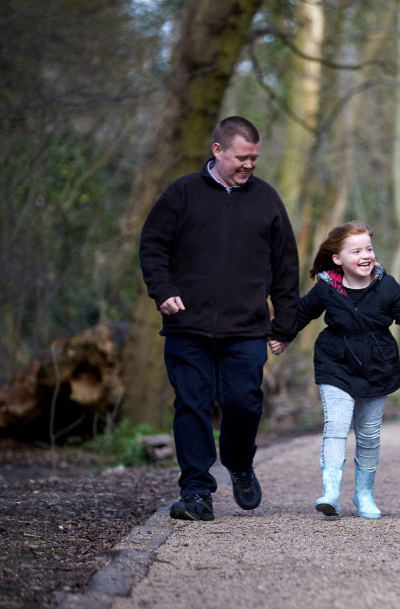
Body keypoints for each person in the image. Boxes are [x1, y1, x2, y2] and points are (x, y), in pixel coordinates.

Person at [139, 116, 300, 522]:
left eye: (254, 159)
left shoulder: (267, 200)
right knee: (191, 404)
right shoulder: (182, 194)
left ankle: (240, 463)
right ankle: (196, 491)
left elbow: (285, 267)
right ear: (217, 151)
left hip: (246, 326)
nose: (249, 165)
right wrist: (164, 290)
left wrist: (284, 324)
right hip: (187, 325)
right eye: (241, 158)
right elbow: (153, 246)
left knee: (244, 403)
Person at [270, 222, 400, 518]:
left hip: (377, 368)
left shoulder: (387, 286)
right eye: (356, 251)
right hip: (335, 364)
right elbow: (300, 314)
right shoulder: (327, 288)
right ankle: (330, 492)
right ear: (338, 259)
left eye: (369, 248)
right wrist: (283, 335)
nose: (366, 255)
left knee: (368, 435)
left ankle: (363, 493)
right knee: (337, 424)